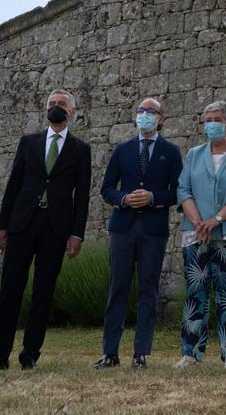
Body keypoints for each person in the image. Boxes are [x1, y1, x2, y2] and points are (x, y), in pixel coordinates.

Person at [0, 90, 91, 371]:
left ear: (72, 111)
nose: (56, 107)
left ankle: (30, 354)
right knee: (11, 288)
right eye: (52, 104)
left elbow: (82, 195)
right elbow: (13, 185)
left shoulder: (81, 149)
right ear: (45, 110)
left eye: (62, 104)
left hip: (56, 227)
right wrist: (2, 225)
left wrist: (77, 233)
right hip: (22, 223)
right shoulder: (28, 142)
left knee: (43, 292)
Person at [95, 97, 182, 369]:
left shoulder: (171, 151)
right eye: (141, 110)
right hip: (123, 228)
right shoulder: (123, 149)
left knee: (148, 289)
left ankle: (140, 353)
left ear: (161, 119)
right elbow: (107, 188)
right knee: (117, 288)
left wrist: (153, 197)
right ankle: (110, 352)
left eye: (150, 111)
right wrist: (123, 199)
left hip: (154, 230)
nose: (144, 114)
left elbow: (179, 191)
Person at [174, 101, 226, 370]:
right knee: (195, 293)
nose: (211, 124)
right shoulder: (194, 154)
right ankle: (190, 353)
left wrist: (216, 220)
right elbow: (183, 189)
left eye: (217, 119)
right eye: (208, 120)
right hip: (197, 234)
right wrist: (199, 221)